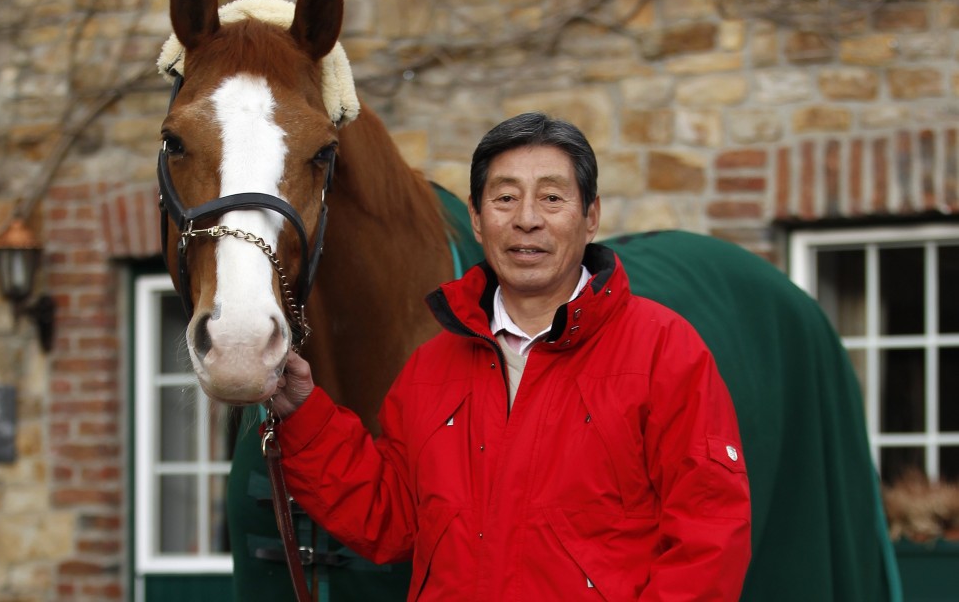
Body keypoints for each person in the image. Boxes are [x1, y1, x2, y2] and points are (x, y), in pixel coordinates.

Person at [270, 111, 751, 601]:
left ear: (590, 217)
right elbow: (389, 520)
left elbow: (708, 536)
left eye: (551, 197)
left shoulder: (664, 350)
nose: (526, 219)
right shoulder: (429, 369)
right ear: (477, 220)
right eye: (504, 198)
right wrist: (303, 414)